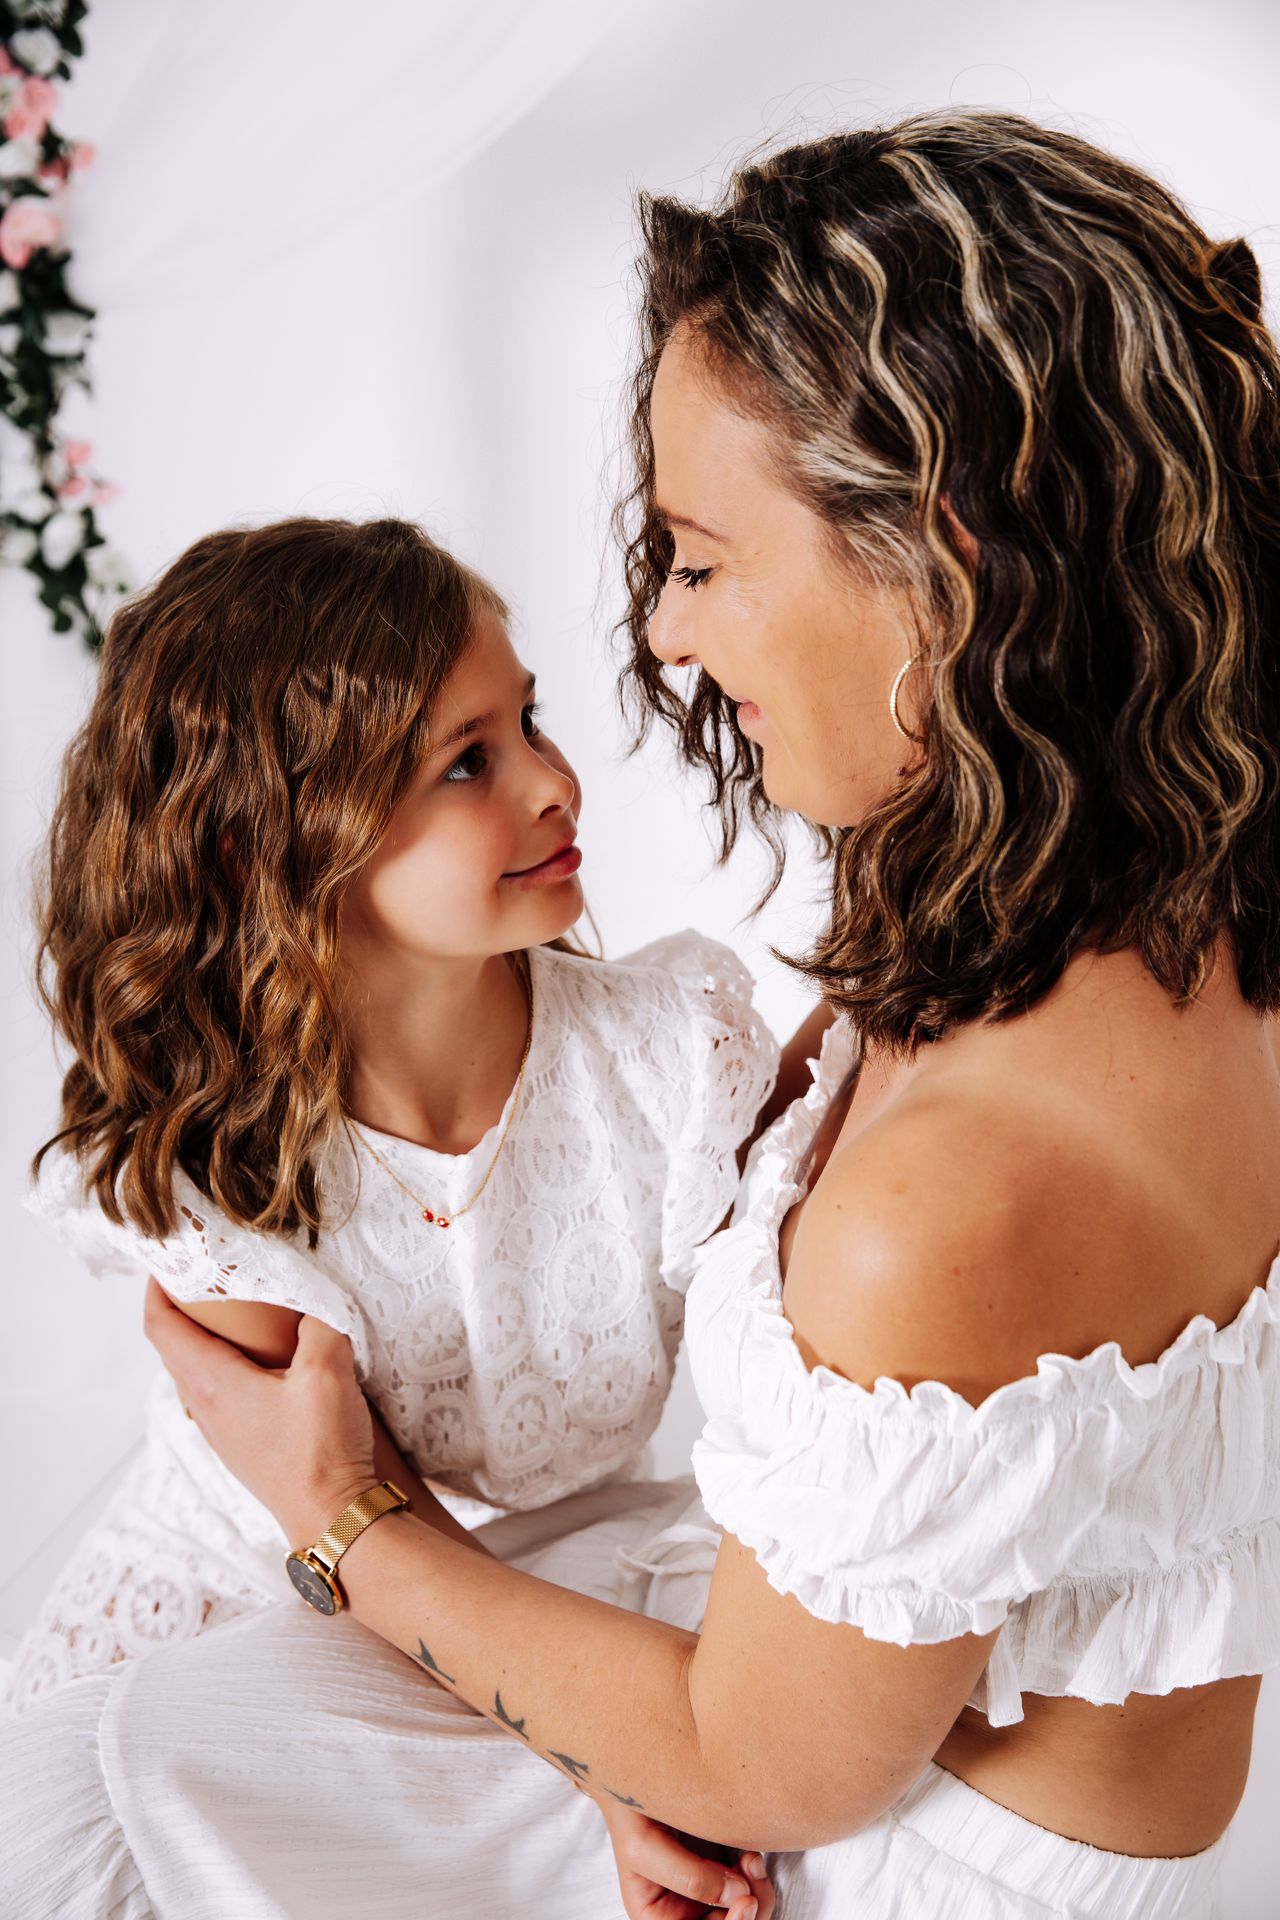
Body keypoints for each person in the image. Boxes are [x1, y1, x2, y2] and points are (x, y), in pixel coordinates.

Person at [7, 103, 1280, 1919]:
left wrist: (349, 1516)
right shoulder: (1170, 874)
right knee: (131, 1743)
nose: (666, 638)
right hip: (831, 1708)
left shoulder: (952, 1192)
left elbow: (766, 1764)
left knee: (149, 1772)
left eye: (700, 553)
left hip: (886, 1843)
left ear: (945, 558)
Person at [0, 514, 784, 1915]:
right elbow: (350, 1505)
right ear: (272, 847)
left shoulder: (670, 1057)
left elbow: (780, 1376)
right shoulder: (221, 1162)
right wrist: (600, 1752)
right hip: (277, 1598)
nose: (554, 782)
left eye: (529, 720)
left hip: (545, 1582)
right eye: (466, 762)